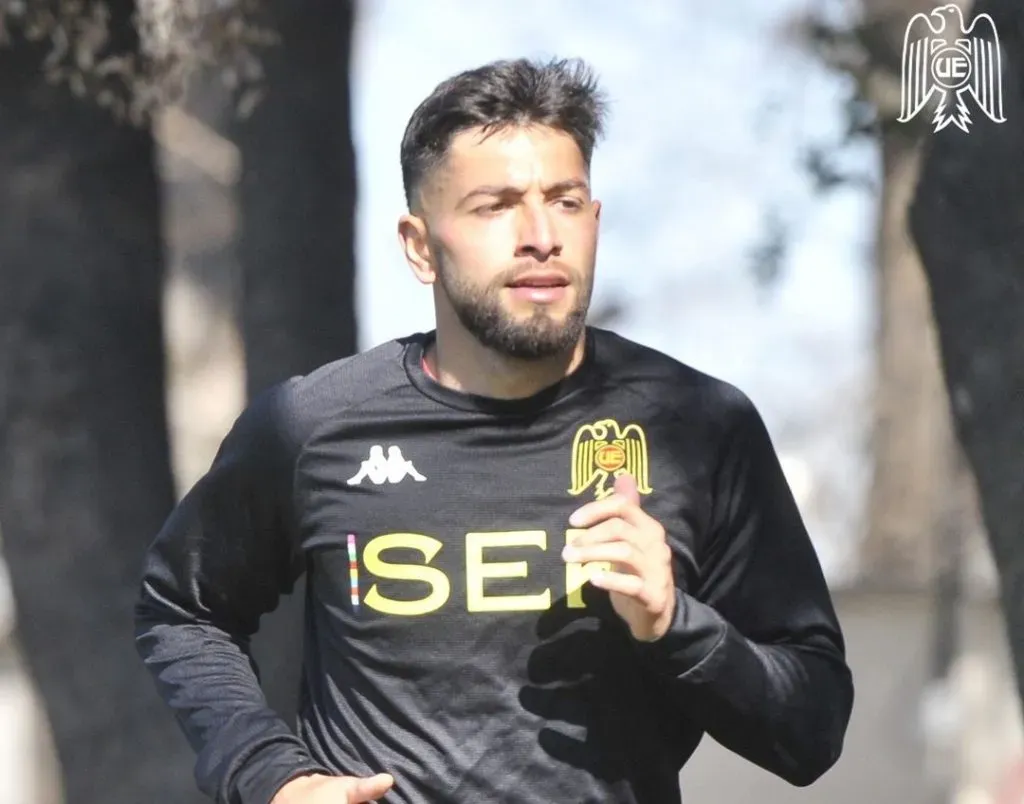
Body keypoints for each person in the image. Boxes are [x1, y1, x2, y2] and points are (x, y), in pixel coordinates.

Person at [134, 57, 854, 804]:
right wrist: (273, 778)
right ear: (420, 246)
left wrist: (675, 622)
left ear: (594, 221)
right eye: (496, 206)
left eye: (565, 202)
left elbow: (811, 729)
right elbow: (181, 610)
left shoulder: (701, 428)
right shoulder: (314, 426)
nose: (541, 236)